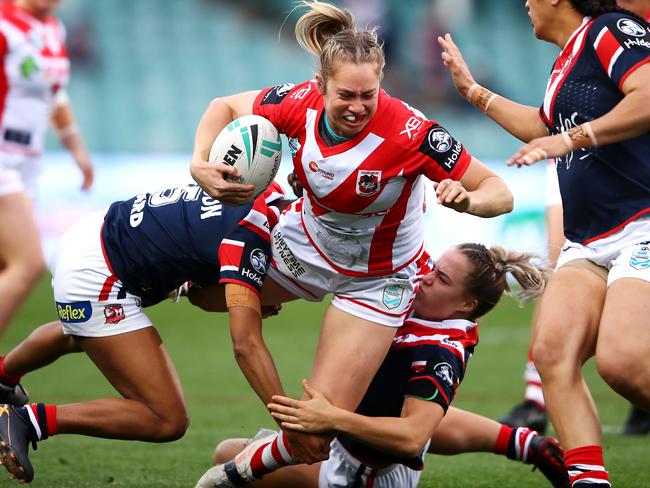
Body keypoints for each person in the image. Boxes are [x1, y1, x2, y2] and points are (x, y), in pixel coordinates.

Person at [189, 0, 513, 465]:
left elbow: (498, 190)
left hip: (378, 281)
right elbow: (223, 106)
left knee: (315, 437)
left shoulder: (412, 132)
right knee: (202, 296)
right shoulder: (296, 102)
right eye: (346, 96)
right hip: (306, 244)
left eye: (370, 95)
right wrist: (200, 162)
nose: (359, 107)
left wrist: (471, 201)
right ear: (321, 86)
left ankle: (252, 467)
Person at [439, 1, 650, 486]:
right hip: (589, 241)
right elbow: (542, 126)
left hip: (641, 221)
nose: (525, 3)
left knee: (624, 362)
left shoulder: (610, 29)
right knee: (551, 353)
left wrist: (575, 138)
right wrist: (472, 91)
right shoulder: (567, 59)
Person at [196, 243, 569, 488]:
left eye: (441, 279)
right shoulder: (422, 289)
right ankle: (528, 445)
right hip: (363, 432)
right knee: (410, 401)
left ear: (465, 305)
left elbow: (412, 437)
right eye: (434, 267)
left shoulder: (442, 350)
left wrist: (332, 418)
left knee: (229, 460)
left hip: (365, 472)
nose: (426, 277)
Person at [0, 180, 295, 483]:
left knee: (83, 334)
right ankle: (26, 421)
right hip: (97, 274)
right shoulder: (249, 239)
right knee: (166, 418)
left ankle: (3, 376)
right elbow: (222, 320)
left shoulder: (265, 189)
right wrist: (292, 429)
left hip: (95, 231)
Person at [0, 0, 94, 338]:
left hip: (27, 159)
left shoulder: (53, 29)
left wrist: (77, 150)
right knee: (27, 264)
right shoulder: (4, 23)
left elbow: (54, 95)